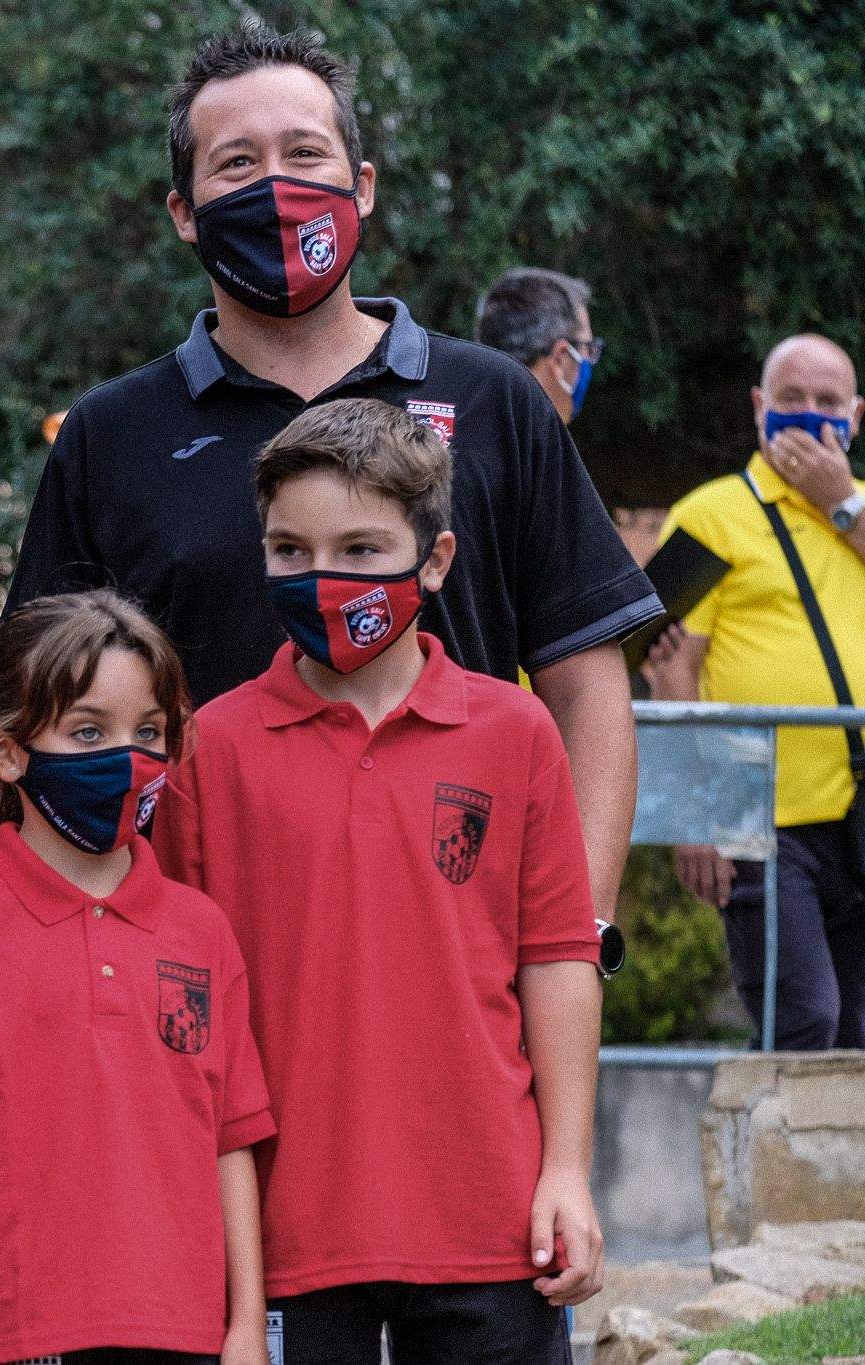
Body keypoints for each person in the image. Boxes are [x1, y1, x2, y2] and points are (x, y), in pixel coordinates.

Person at [7, 19, 659, 934]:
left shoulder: (495, 401)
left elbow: (587, 684)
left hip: (456, 946)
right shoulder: (111, 434)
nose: (275, 185)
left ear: (362, 187)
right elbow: (36, 702)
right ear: (184, 211)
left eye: (304, 153)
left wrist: (575, 932)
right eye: (236, 162)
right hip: (191, 951)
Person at [154, 399, 606, 1363]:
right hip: (282, 1236)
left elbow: (558, 958)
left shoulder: (517, 733)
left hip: (492, 1224)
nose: (322, 579)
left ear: (433, 561)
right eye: (290, 549)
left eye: (362, 550)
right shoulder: (209, 750)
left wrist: (566, 1167)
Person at [0, 590, 274, 1365]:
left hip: (191, 1335)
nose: (127, 756)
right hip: (24, 1335)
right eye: (87, 731)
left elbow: (231, 1138)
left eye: (148, 732)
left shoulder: (202, 928)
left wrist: (246, 1325)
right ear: (8, 753)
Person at [652, 333, 865, 1048]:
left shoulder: (858, 511)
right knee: (801, 1018)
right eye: (791, 400)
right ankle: (755, 1158)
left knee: (857, 1033)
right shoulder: (708, 515)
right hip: (760, 820)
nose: (808, 416)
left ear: (856, 416)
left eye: (827, 403)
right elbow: (670, 667)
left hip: (856, 810)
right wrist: (696, 814)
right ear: (758, 407)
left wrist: (840, 504)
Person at [473, 268, 601, 428]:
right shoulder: (541, 450)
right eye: (587, 347)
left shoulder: (447, 442)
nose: (589, 359)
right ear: (560, 357)